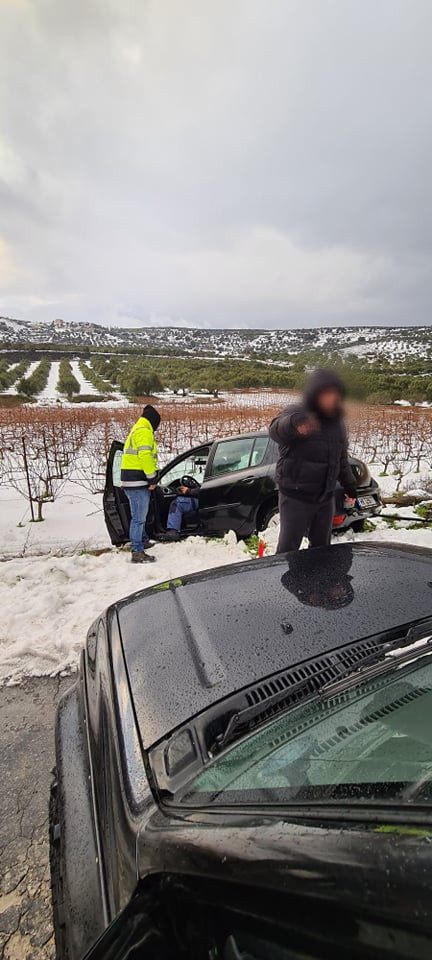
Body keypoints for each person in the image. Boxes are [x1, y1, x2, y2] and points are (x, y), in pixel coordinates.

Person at [269, 369, 357, 553]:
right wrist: (293, 423)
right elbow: (275, 429)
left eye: (335, 393)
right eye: (327, 393)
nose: (332, 397)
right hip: (295, 496)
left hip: (325, 497)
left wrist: (350, 487)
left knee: (322, 549)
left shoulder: (337, 423)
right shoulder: (298, 412)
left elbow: (341, 459)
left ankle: (318, 581)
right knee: (288, 549)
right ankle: (284, 581)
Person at [120, 404, 161, 563]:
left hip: (132, 481)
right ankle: (137, 551)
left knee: (138, 515)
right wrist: (152, 478)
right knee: (138, 518)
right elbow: (145, 457)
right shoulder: (144, 432)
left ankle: (143, 539)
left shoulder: (136, 430)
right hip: (137, 482)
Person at [159, 476, 200, 542]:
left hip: (202, 501)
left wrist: (189, 491)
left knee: (177, 503)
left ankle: (173, 531)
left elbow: (204, 489)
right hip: (201, 499)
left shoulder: (215, 480)